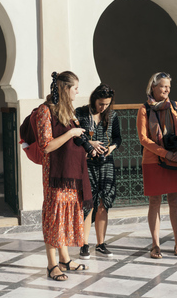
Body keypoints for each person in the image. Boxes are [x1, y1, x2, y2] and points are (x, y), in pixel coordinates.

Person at [36, 71, 93, 281]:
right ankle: (51, 265)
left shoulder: (69, 111)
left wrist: (90, 143)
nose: (78, 92)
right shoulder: (45, 111)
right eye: (75, 88)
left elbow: (74, 140)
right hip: (55, 175)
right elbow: (46, 145)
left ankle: (65, 259)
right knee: (54, 216)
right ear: (65, 88)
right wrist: (71, 133)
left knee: (65, 216)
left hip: (71, 173)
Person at [136, 72, 177, 259]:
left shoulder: (175, 107)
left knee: (174, 201)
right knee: (154, 202)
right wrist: (164, 153)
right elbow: (143, 138)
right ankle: (155, 244)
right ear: (153, 87)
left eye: (168, 87)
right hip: (153, 161)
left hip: (175, 159)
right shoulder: (144, 109)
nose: (166, 90)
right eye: (163, 86)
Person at [75, 84, 122, 259]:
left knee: (104, 202)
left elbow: (118, 138)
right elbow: (76, 135)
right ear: (94, 99)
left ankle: (101, 244)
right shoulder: (80, 113)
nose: (103, 107)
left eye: (107, 104)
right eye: (101, 103)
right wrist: (90, 143)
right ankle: (84, 244)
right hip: (87, 163)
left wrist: (111, 148)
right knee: (88, 203)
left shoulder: (112, 115)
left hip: (106, 163)